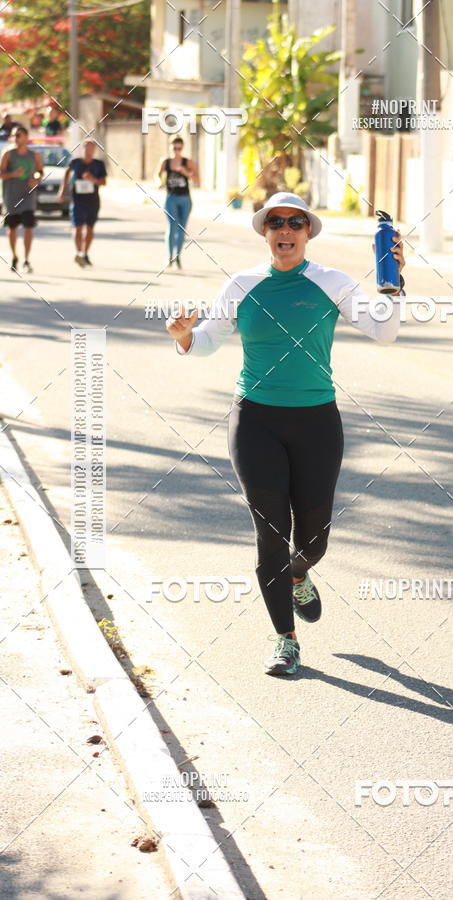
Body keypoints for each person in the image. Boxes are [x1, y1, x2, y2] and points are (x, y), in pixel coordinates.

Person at [166, 192, 406, 677]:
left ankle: (300, 573)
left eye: (296, 222)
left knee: (312, 539)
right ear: (265, 232)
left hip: (317, 420)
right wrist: (185, 337)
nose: (286, 230)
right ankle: (285, 641)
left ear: (308, 232)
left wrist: (395, 286)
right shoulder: (242, 284)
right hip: (255, 420)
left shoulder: (330, 281)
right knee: (270, 533)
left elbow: (385, 333)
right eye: (276, 222)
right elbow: (210, 339)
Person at [0, 126, 43, 273]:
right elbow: (1, 173)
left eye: (19, 135)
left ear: (26, 137)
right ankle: (14, 256)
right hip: (11, 197)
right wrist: (13, 174)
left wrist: (36, 180)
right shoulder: (8, 154)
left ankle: (26, 259)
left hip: (28, 197)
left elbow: (40, 172)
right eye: (13, 135)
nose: (16, 138)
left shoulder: (34, 155)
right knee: (12, 229)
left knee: (28, 228)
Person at [58, 140, 107, 267]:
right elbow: (67, 174)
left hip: (93, 201)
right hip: (77, 201)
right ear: (82, 150)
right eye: (86, 148)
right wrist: (62, 191)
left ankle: (85, 253)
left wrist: (93, 179)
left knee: (90, 228)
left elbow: (103, 182)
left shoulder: (99, 164)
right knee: (78, 227)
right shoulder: (75, 163)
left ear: (94, 150)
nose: (88, 151)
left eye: (91, 149)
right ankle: (79, 253)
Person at [158, 136, 199, 269]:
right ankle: (170, 256)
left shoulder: (188, 162)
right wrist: (160, 183)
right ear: (170, 147)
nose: (177, 151)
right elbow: (158, 175)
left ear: (183, 148)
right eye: (174, 148)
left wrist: (185, 172)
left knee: (181, 229)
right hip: (171, 198)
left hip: (185, 199)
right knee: (172, 226)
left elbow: (197, 179)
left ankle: (178, 256)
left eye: (179, 148)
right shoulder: (166, 162)